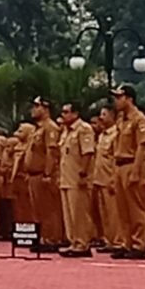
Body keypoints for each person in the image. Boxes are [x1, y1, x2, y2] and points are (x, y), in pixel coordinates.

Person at [112, 85, 145, 259]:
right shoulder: (121, 119)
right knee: (122, 208)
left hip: (131, 163)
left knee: (135, 207)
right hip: (120, 164)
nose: (116, 101)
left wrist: (136, 171)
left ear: (129, 99)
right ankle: (125, 242)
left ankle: (138, 243)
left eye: (119, 97)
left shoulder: (139, 119)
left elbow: (142, 147)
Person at [58, 103, 95, 258]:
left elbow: (87, 153)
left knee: (79, 212)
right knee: (69, 214)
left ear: (75, 114)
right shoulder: (66, 132)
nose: (63, 115)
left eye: (66, 112)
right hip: (66, 177)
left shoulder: (84, 129)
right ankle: (73, 241)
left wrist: (83, 174)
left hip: (77, 177)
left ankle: (82, 243)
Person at [26, 96, 63, 250]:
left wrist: (48, 173)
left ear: (45, 108)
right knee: (38, 210)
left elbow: (51, 152)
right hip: (34, 174)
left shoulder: (50, 128)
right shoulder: (38, 128)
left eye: (37, 106)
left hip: (43, 174)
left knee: (48, 209)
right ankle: (42, 237)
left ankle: (51, 239)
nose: (33, 110)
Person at [92, 108, 122, 254]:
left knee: (113, 213)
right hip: (99, 178)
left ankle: (117, 241)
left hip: (109, 178)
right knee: (104, 213)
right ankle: (108, 240)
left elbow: (116, 158)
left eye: (104, 114)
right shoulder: (102, 135)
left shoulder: (116, 134)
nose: (101, 118)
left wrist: (113, 179)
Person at [10, 123, 36, 227]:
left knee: (29, 206)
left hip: (25, 178)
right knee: (18, 207)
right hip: (16, 180)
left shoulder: (31, 147)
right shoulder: (17, 146)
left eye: (21, 131)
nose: (17, 133)